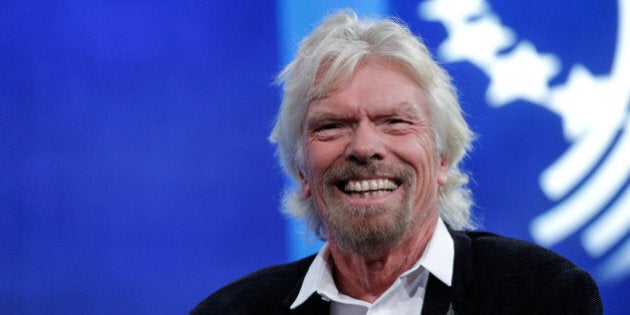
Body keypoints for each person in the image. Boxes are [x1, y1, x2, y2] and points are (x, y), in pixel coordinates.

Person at [191, 9, 603, 314]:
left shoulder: (542, 295)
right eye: (332, 126)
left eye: (395, 122)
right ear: (301, 171)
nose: (364, 146)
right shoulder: (229, 311)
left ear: (443, 158)